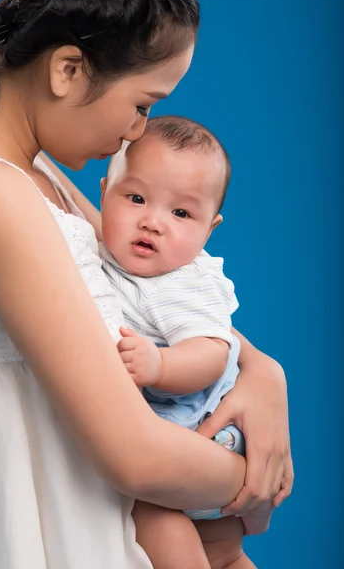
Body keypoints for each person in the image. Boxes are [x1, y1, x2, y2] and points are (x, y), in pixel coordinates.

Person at [0, 0, 293, 568]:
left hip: (104, 524)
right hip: (59, 533)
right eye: (142, 104)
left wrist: (266, 373)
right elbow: (133, 454)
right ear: (68, 69)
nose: (138, 130)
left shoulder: (38, 177)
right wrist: (255, 481)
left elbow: (150, 289)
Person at [86, 115, 256, 567]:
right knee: (224, 553)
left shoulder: (183, 282)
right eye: (136, 197)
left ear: (209, 229)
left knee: (162, 528)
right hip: (173, 441)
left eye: (181, 213)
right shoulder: (98, 256)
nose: (152, 222)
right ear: (104, 193)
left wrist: (160, 365)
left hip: (197, 436)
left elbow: (212, 355)